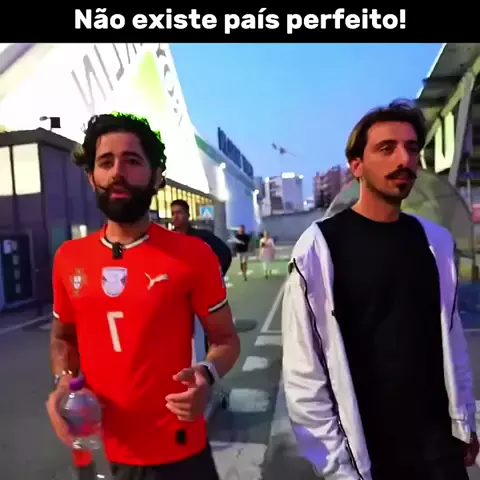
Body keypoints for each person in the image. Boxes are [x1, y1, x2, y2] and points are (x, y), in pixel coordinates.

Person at [282, 100, 478, 480]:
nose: (404, 160)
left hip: (439, 448)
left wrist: (464, 420)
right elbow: (304, 374)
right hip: (367, 455)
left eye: (412, 149)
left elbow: (451, 340)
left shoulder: (435, 242)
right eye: (387, 148)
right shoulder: (320, 248)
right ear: (356, 165)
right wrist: (338, 468)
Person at [46, 113, 240, 480]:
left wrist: (206, 374)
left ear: (156, 176)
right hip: (101, 448)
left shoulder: (193, 255)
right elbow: (63, 337)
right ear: (91, 177)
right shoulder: (68, 258)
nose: (118, 172)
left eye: (132, 161)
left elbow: (226, 339)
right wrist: (64, 382)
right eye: (106, 162)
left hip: (179, 451)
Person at [170, 199, 232, 277]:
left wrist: (216, 276)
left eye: (179, 213)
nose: (175, 217)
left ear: (188, 215)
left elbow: (225, 253)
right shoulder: (168, 239)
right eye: (173, 213)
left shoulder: (203, 236)